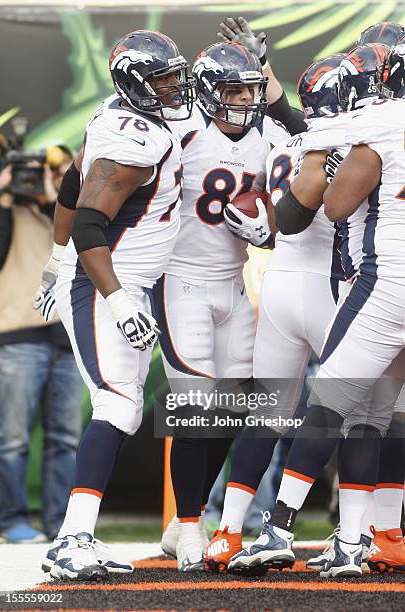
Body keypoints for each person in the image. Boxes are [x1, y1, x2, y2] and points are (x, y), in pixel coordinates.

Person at [230, 42, 405, 579]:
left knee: (330, 402)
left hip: (387, 280)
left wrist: (329, 155)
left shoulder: (374, 123)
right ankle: (355, 542)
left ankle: (277, 529)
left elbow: (332, 205)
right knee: (374, 416)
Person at [41, 29, 196, 581]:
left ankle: (76, 535)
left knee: (123, 407)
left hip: (119, 278)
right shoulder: (133, 138)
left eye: (175, 75)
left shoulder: (121, 117)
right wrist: (113, 295)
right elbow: (87, 219)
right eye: (162, 78)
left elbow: (69, 184)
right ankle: (70, 540)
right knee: (116, 404)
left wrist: (54, 261)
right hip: (107, 280)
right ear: (134, 81)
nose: (173, 86)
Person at [204, 53, 345, 573]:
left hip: (281, 280)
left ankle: (227, 532)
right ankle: (327, 529)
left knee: (266, 414)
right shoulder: (354, 141)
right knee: (353, 414)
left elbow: (270, 213)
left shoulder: (283, 139)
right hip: (334, 284)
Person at [154, 39, 290, 573]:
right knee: (193, 408)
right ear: (209, 92)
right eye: (234, 89)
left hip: (232, 284)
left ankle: (178, 524)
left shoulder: (268, 137)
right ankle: (192, 528)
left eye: (251, 90)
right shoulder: (178, 131)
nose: (244, 100)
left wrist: (268, 228)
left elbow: (295, 188)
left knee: (231, 410)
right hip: (180, 281)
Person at [0, 146, 83, 543]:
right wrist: (2, 199)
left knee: (65, 438)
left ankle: (60, 523)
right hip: (17, 336)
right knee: (11, 438)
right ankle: (11, 520)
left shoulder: (66, 213)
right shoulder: (5, 210)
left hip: (67, 337)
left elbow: (79, 242)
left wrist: (55, 198)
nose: (34, 180)